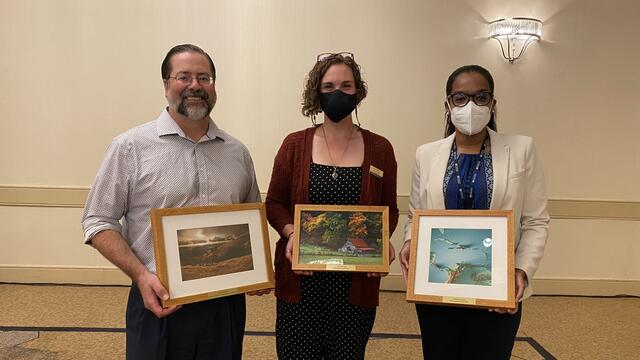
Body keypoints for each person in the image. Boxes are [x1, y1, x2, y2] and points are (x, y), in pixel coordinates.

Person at [81, 44, 267, 360]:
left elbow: (251, 220)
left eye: (204, 77)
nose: (195, 85)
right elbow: (98, 221)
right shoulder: (129, 147)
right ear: (166, 86)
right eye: (184, 77)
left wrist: (258, 268)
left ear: (214, 87)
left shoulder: (237, 153)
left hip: (225, 307)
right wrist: (141, 276)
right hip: (158, 300)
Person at [399, 64, 549, 360]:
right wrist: (409, 241)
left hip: (495, 288)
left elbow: (536, 220)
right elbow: (415, 214)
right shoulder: (426, 154)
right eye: (460, 98)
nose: (470, 105)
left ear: (493, 104)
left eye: (480, 97)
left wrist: (520, 270)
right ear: (448, 104)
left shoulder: (521, 149)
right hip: (438, 287)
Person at [265, 52, 399, 359]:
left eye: (346, 85)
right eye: (328, 87)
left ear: (358, 91)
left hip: (355, 285)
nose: (337, 93)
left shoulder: (380, 148)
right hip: (302, 284)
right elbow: (274, 203)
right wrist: (292, 234)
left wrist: (381, 240)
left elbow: (389, 208)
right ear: (316, 92)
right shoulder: (294, 145)